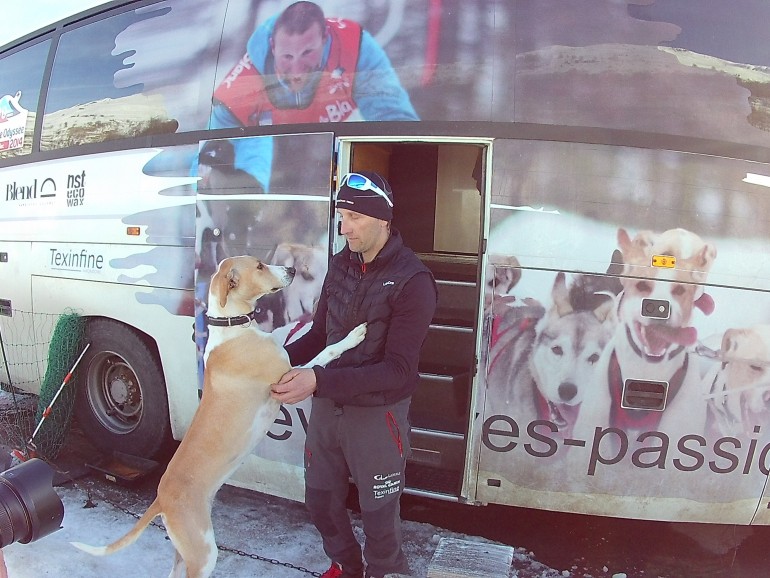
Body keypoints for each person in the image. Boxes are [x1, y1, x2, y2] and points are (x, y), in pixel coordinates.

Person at [271, 171, 437, 578]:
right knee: (320, 501)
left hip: (377, 415)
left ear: (383, 219)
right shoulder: (341, 265)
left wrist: (318, 380)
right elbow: (319, 335)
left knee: (379, 517)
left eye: (355, 217)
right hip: (329, 408)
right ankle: (347, 565)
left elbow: (398, 372)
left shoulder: (414, 281)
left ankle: (384, 570)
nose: (344, 227)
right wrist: (273, 361)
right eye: (341, 215)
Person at [210, 1, 419, 191]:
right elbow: (208, 159)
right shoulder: (241, 86)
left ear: (324, 39)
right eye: (287, 57)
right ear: (273, 47)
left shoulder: (356, 48)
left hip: (337, 169)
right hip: (279, 173)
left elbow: (397, 123)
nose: (297, 71)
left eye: (307, 53)